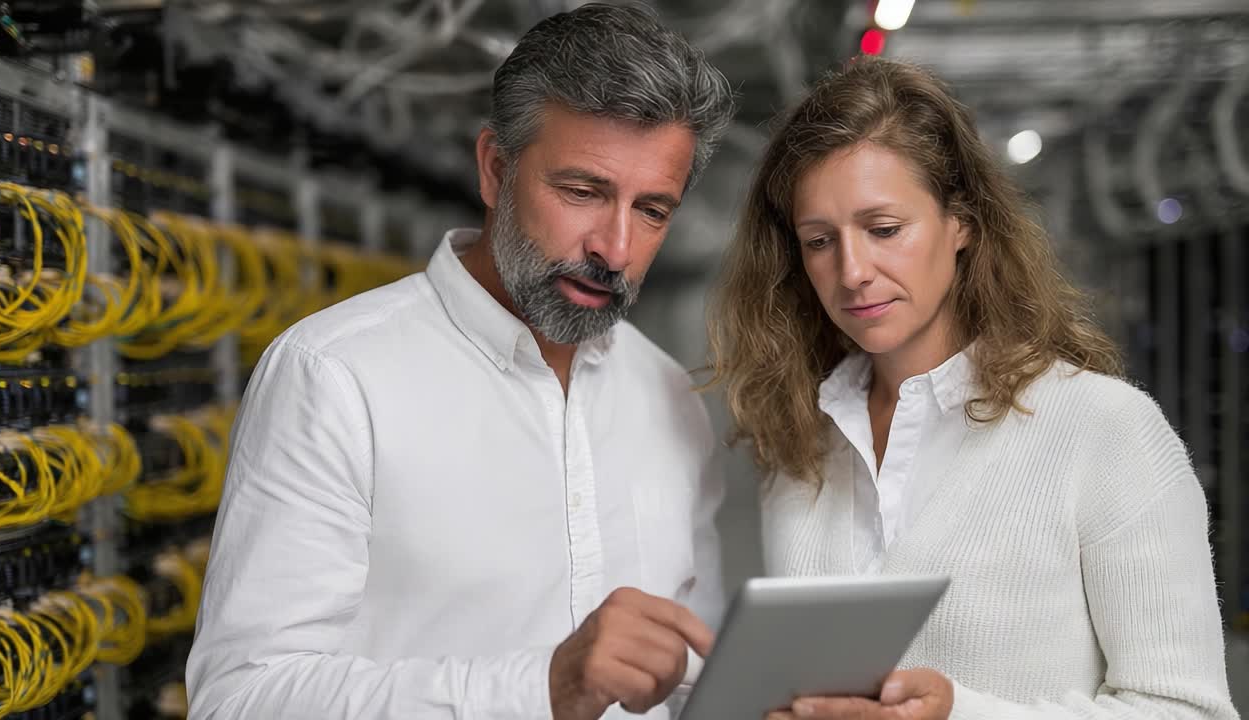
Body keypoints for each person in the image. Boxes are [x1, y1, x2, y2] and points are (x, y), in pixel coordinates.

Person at [185, 5, 736, 719]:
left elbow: (697, 673)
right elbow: (239, 699)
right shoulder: (335, 379)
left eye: (653, 210)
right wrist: (541, 689)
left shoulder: (669, 396)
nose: (617, 248)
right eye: (583, 191)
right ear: (495, 168)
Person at [707, 56, 1239, 720]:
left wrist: (957, 713)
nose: (853, 272)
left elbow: (1189, 712)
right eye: (819, 241)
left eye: (884, 230)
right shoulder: (800, 448)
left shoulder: (1104, 429)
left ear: (961, 222)